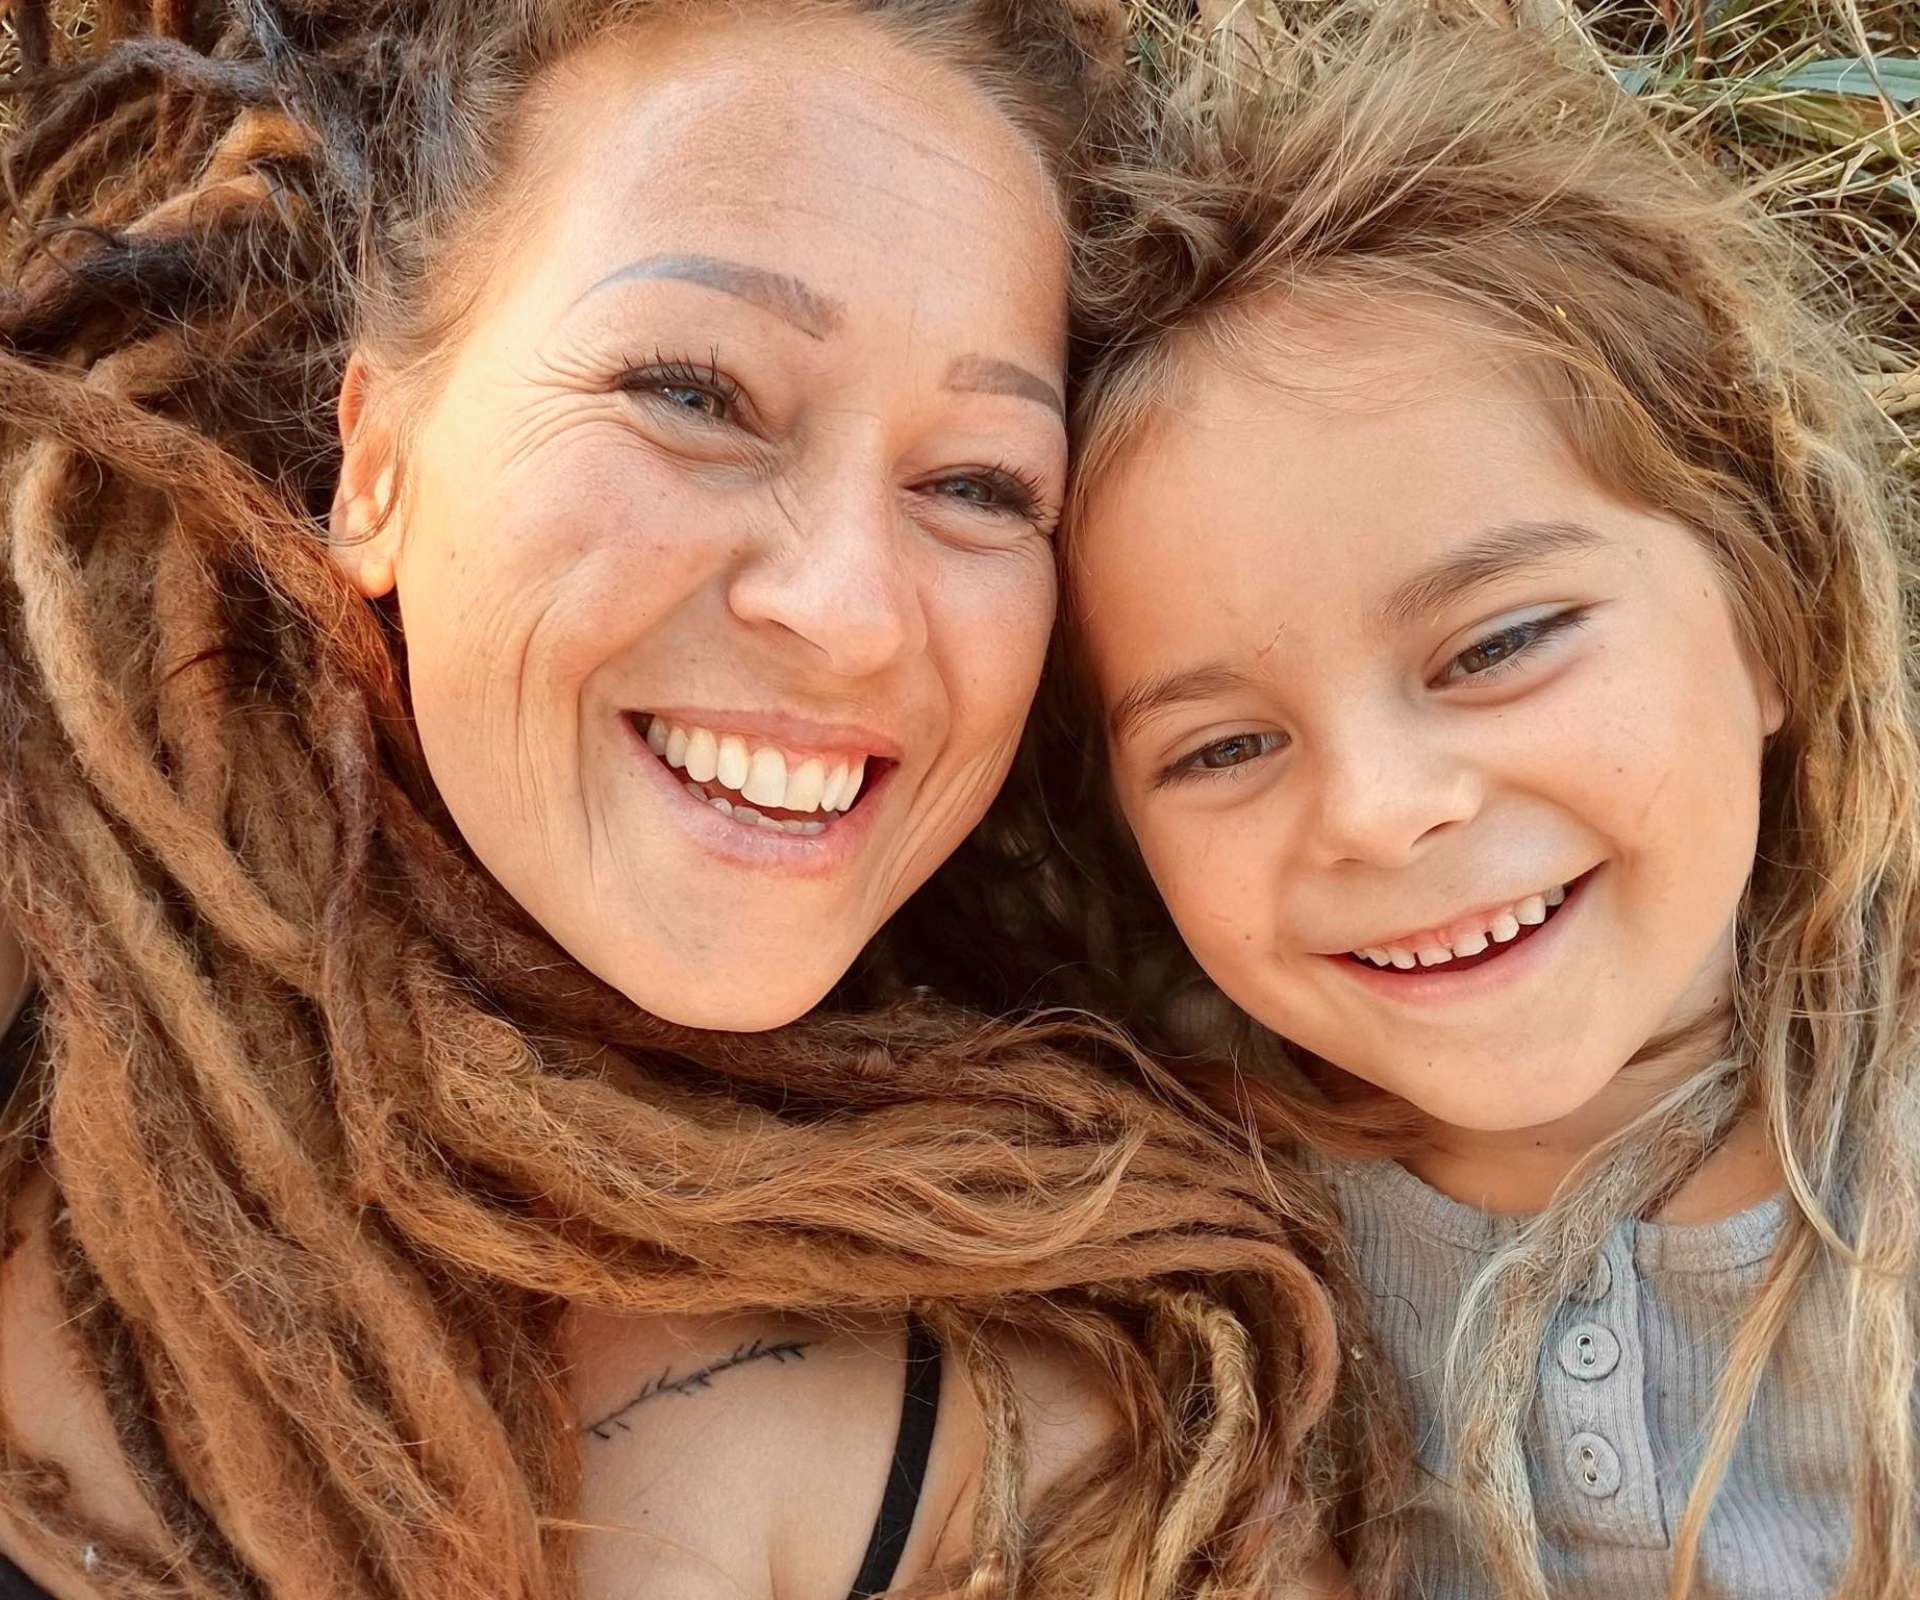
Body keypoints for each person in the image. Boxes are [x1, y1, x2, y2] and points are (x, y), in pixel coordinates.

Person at [0, 3, 1389, 1597]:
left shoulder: (1083, 1433)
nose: (851, 609)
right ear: (376, 460)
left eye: (979, 485)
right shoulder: (41, 922)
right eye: (693, 395)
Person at [1038, 13, 1920, 1599]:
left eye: (1498, 645)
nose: (1380, 812)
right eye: (1222, 748)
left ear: (1770, 610)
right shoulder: (1167, 1249)